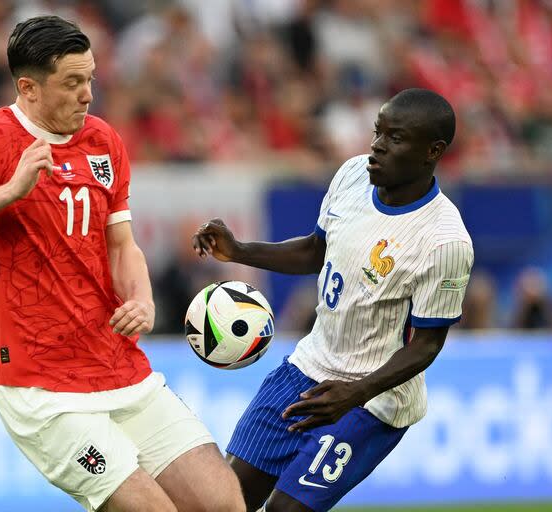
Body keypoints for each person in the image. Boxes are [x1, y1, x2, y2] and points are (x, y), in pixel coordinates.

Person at [0, 16, 243, 512]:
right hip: (41, 388)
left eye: (90, 79)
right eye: (72, 82)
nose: (87, 95)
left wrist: (142, 297)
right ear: (29, 88)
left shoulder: (103, 141)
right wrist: (9, 191)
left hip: (119, 367)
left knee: (224, 505)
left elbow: (122, 245)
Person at [193, 88, 474, 512]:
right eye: (378, 132)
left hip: (372, 399)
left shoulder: (445, 241)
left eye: (395, 138)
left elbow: (427, 345)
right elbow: (314, 250)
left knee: (286, 510)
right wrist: (240, 251)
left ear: (432, 151)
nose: (377, 145)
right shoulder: (352, 175)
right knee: (226, 501)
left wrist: (355, 393)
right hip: (305, 369)